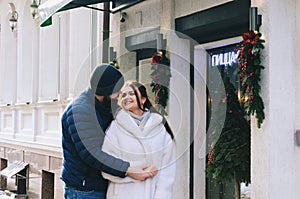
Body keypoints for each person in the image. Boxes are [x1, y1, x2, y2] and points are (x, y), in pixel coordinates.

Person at [61, 64, 157, 199]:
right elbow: (91, 153)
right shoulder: (80, 111)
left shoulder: (102, 106)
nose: (119, 95)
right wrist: (127, 170)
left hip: (100, 185)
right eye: (117, 91)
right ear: (106, 91)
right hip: (85, 190)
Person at [102, 80, 176, 199]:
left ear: (143, 99)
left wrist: (161, 195)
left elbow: (167, 170)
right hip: (122, 194)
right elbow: (106, 166)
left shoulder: (159, 129)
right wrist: (134, 171)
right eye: (124, 95)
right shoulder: (115, 128)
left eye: (131, 93)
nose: (127, 97)